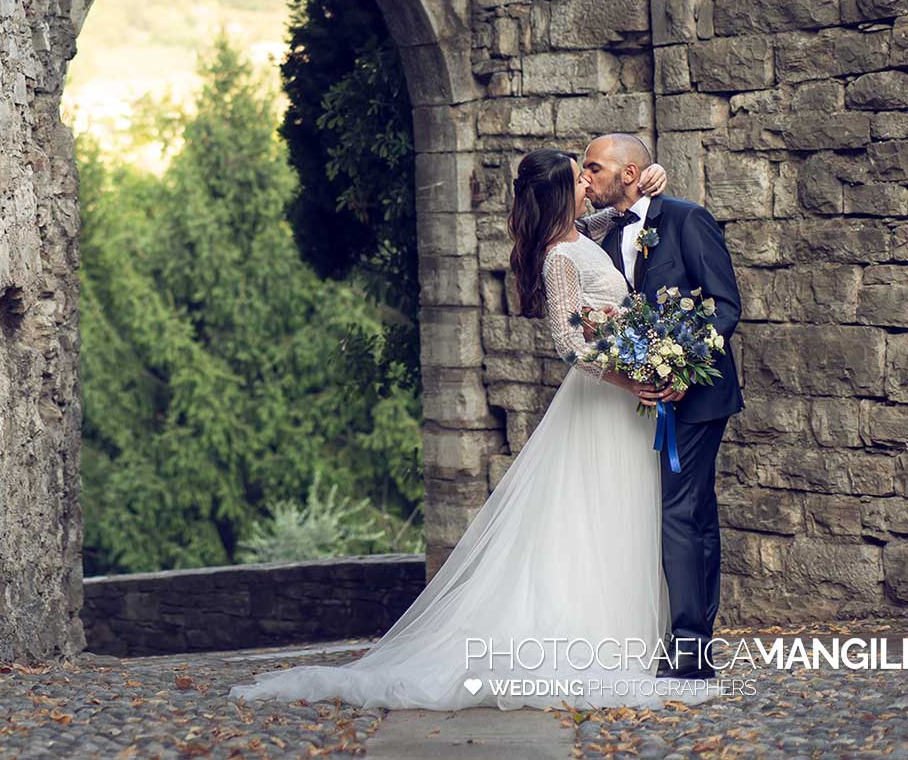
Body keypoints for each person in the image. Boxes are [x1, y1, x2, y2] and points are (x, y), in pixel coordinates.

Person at [230, 147, 727, 711]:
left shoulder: (584, 230)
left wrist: (655, 181)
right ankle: (591, 644)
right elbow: (569, 346)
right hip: (602, 402)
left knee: (625, 515)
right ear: (563, 193)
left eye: (590, 172)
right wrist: (629, 381)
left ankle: (642, 641)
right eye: (579, 175)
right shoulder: (559, 256)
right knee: (595, 517)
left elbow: (628, 213)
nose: (589, 182)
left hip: (622, 406)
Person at [579, 133, 743, 680]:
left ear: (628, 173)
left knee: (680, 509)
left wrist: (682, 365)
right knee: (693, 512)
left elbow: (725, 304)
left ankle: (690, 650)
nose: (586, 177)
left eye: (594, 168)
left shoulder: (687, 218)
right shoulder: (598, 232)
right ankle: (691, 629)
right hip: (642, 395)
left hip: (696, 393)